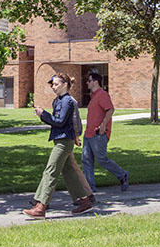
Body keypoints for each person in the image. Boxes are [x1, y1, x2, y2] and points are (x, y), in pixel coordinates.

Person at [22, 72, 91, 219]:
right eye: (52, 84)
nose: (53, 87)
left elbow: (60, 122)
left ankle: (41, 207)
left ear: (65, 85)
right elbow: (58, 121)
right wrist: (43, 116)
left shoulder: (68, 101)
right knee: (69, 173)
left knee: (50, 171)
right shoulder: (58, 101)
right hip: (60, 139)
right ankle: (84, 201)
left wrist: (44, 114)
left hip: (64, 141)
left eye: (56, 84)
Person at [81, 72, 129, 193]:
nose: (87, 83)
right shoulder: (94, 96)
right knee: (86, 160)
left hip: (98, 134)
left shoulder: (102, 95)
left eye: (89, 80)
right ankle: (90, 188)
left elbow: (110, 109)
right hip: (89, 134)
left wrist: (103, 126)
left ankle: (122, 175)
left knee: (101, 159)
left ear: (95, 82)